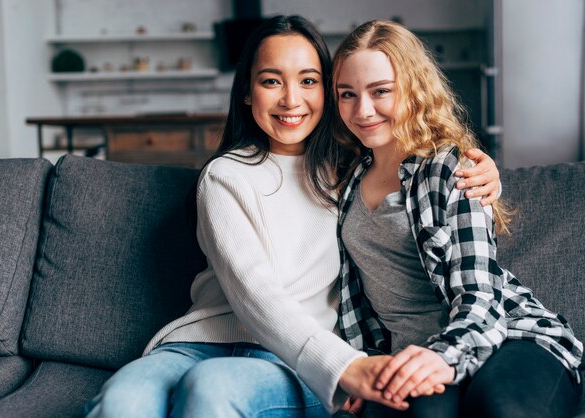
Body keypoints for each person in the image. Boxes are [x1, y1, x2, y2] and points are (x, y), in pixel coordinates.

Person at [84, 16, 500, 418]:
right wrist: (348, 367)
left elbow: (423, 170)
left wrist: (486, 174)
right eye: (270, 81)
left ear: (327, 91)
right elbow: (254, 290)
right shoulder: (225, 176)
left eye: (308, 80)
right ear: (247, 92)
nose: (290, 99)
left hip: (300, 361)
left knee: (215, 388)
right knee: (124, 401)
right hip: (198, 343)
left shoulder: (352, 171)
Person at [331, 20, 584, 418]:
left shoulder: (451, 169)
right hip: (410, 355)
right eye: (348, 94)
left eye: (381, 91)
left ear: (413, 89)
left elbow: (480, 296)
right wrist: (359, 366)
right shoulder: (342, 177)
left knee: (502, 409)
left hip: (502, 334)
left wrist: (444, 356)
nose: (363, 110)